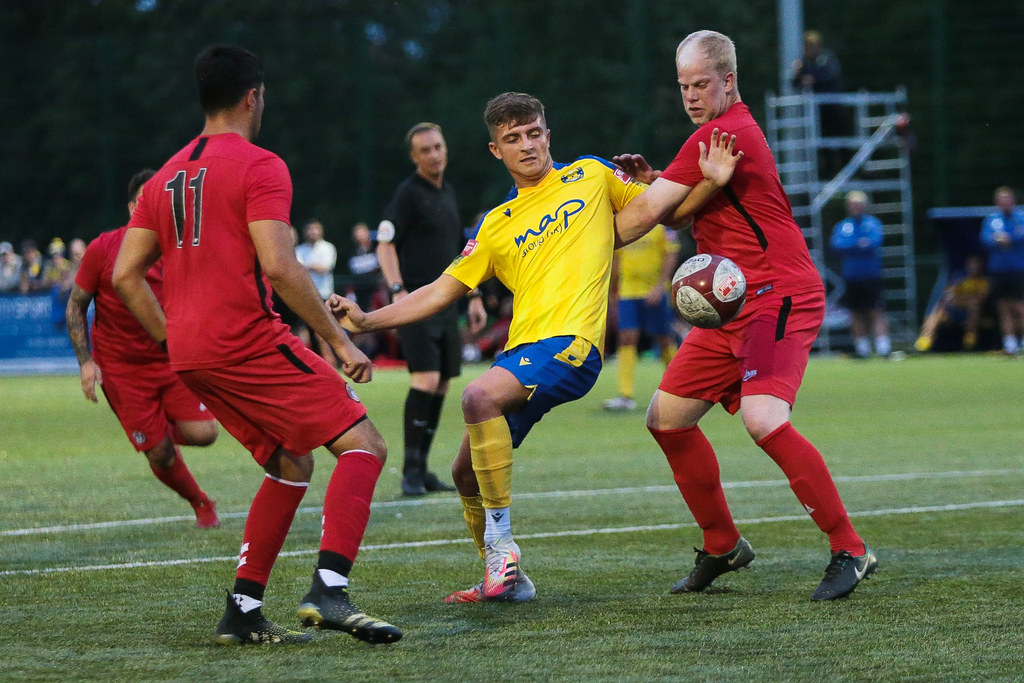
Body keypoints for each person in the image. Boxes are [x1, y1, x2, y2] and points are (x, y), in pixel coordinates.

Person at [331, 92, 731, 604]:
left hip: (572, 344)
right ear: (495, 150)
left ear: (548, 134)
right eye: (513, 138)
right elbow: (440, 291)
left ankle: (503, 549)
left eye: (534, 133)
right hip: (520, 355)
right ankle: (506, 581)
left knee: (477, 396)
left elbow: (658, 209)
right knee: (463, 473)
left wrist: (709, 182)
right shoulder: (495, 224)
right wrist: (366, 320)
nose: (527, 145)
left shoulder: (590, 174)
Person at [112, 44, 402, 646]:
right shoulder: (260, 165)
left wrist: (171, 336)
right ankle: (330, 589)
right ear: (253, 97)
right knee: (364, 445)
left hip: (191, 356)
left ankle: (242, 611)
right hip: (245, 340)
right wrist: (340, 343)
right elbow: (279, 265)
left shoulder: (164, 176)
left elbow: (125, 275)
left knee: (291, 463)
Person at [613, 30, 876, 601]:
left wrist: (568, 237)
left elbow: (643, 218)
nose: (690, 95)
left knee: (763, 419)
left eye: (700, 84)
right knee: (667, 418)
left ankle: (850, 548)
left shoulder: (724, 132)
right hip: (729, 303)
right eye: (683, 86)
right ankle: (722, 544)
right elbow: (678, 215)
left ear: (728, 80)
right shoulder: (712, 140)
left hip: (778, 293)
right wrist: (665, 181)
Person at [66, 169, 221, 528]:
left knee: (205, 434)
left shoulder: (182, 248)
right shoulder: (103, 248)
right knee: (161, 454)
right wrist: (86, 363)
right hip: (121, 370)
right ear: (131, 207)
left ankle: (154, 433)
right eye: (143, 202)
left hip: (172, 360)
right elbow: (76, 306)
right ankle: (200, 502)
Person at [376, 122, 486, 496]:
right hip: (418, 304)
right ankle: (410, 471)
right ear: (414, 157)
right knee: (425, 378)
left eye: (438, 147)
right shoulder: (408, 194)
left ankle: (422, 469)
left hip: (447, 303)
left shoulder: (448, 193)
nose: (434, 154)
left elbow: (459, 251)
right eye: (425, 150)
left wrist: (473, 295)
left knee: (441, 383)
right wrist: (397, 290)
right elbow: (385, 244)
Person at [603, 224, 680, 411]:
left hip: (655, 291)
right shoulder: (624, 224)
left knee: (664, 339)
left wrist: (660, 286)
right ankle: (625, 395)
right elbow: (616, 260)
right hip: (628, 291)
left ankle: (681, 387)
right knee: (626, 337)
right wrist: (613, 291)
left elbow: (670, 254)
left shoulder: (662, 225)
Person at [830, 191, 891, 358]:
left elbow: (874, 243)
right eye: (852, 204)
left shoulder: (873, 223)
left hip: (871, 275)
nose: (855, 207)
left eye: (858, 204)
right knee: (855, 313)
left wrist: (852, 246)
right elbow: (837, 244)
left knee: (876, 311)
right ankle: (862, 350)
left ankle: (883, 349)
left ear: (864, 205)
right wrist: (859, 244)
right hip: (851, 276)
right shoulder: (843, 226)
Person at [979, 186, 1024, 355]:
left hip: (1018, 269)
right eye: (1001, 199)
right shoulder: (991, 219)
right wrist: (998, 240)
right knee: (1003, 307)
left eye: (1008, 199)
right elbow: (985, 239)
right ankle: (1010, 344)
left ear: (1013, 200)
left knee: (1020, 307)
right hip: (998, 270)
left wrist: (1010, 238)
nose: (1005, 202)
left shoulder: (1021, 217)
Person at [915, 253, 990, 352]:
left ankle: (970, 337)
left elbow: (980, 299)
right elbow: (948, 295)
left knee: (974, 306)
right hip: (954, 312)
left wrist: (960, 299)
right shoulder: (959, 278)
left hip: (973, 314)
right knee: (938, 309)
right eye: (972, 263)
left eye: (976, 263)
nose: (974, 266)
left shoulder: (984, 281)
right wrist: (962, 299)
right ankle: (926, 338)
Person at [295, 218, 339, 367]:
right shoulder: (300, 250)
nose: (313, 232)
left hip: (324, 295)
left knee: (324, 331)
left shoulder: (328, 248)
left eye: (315, 229)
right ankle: (313, 362)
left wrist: (306, 266)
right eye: (310, 229)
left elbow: (326, 267)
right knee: (305, 331)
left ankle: (331, 361)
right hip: (305, 296)